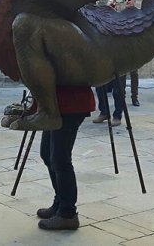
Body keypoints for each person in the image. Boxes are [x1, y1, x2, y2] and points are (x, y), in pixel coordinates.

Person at [36, 85, 95, 230]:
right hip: (53, 105)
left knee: (60, 159)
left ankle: (68, 213)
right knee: (47, 153)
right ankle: (60, 202)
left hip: (71, 104)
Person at [121, 0, 141, 106]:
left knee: (134, 74)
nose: (127, 1)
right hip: (123, 48)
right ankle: (121, 97)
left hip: (134, 48)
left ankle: (135, 97)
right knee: (122, 75)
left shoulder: (139, 14)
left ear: (134, 0)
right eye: (125, 0)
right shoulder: (121, 14)